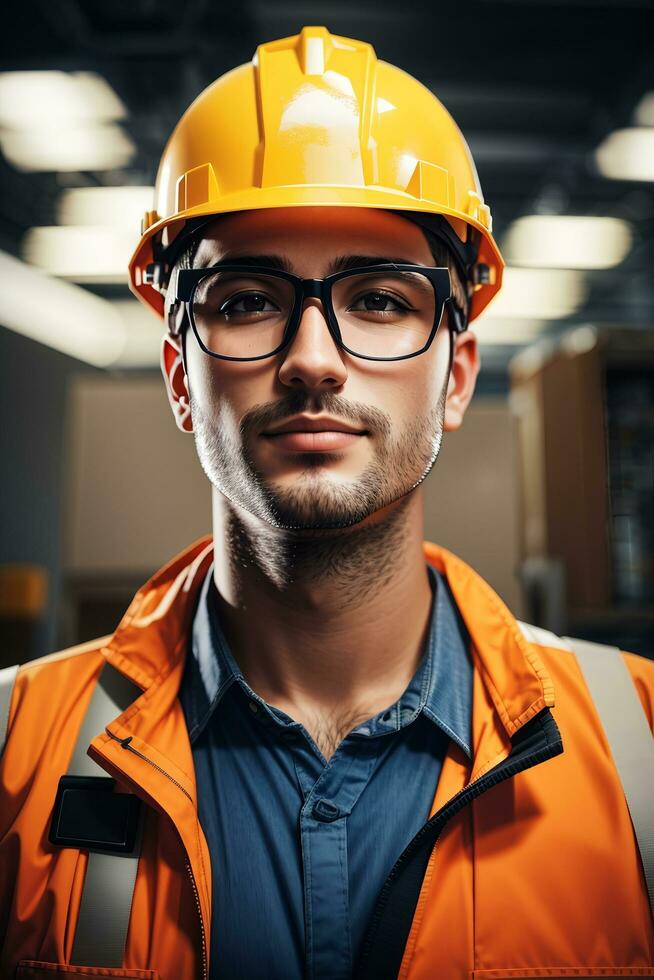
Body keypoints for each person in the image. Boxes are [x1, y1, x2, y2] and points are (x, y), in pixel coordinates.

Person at [1, 25, 653, 980]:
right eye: (246, 299)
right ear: (181, 374)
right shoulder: (15, 756)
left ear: (458, 376)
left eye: (381, 300)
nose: (311, 358)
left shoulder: (640, 752)